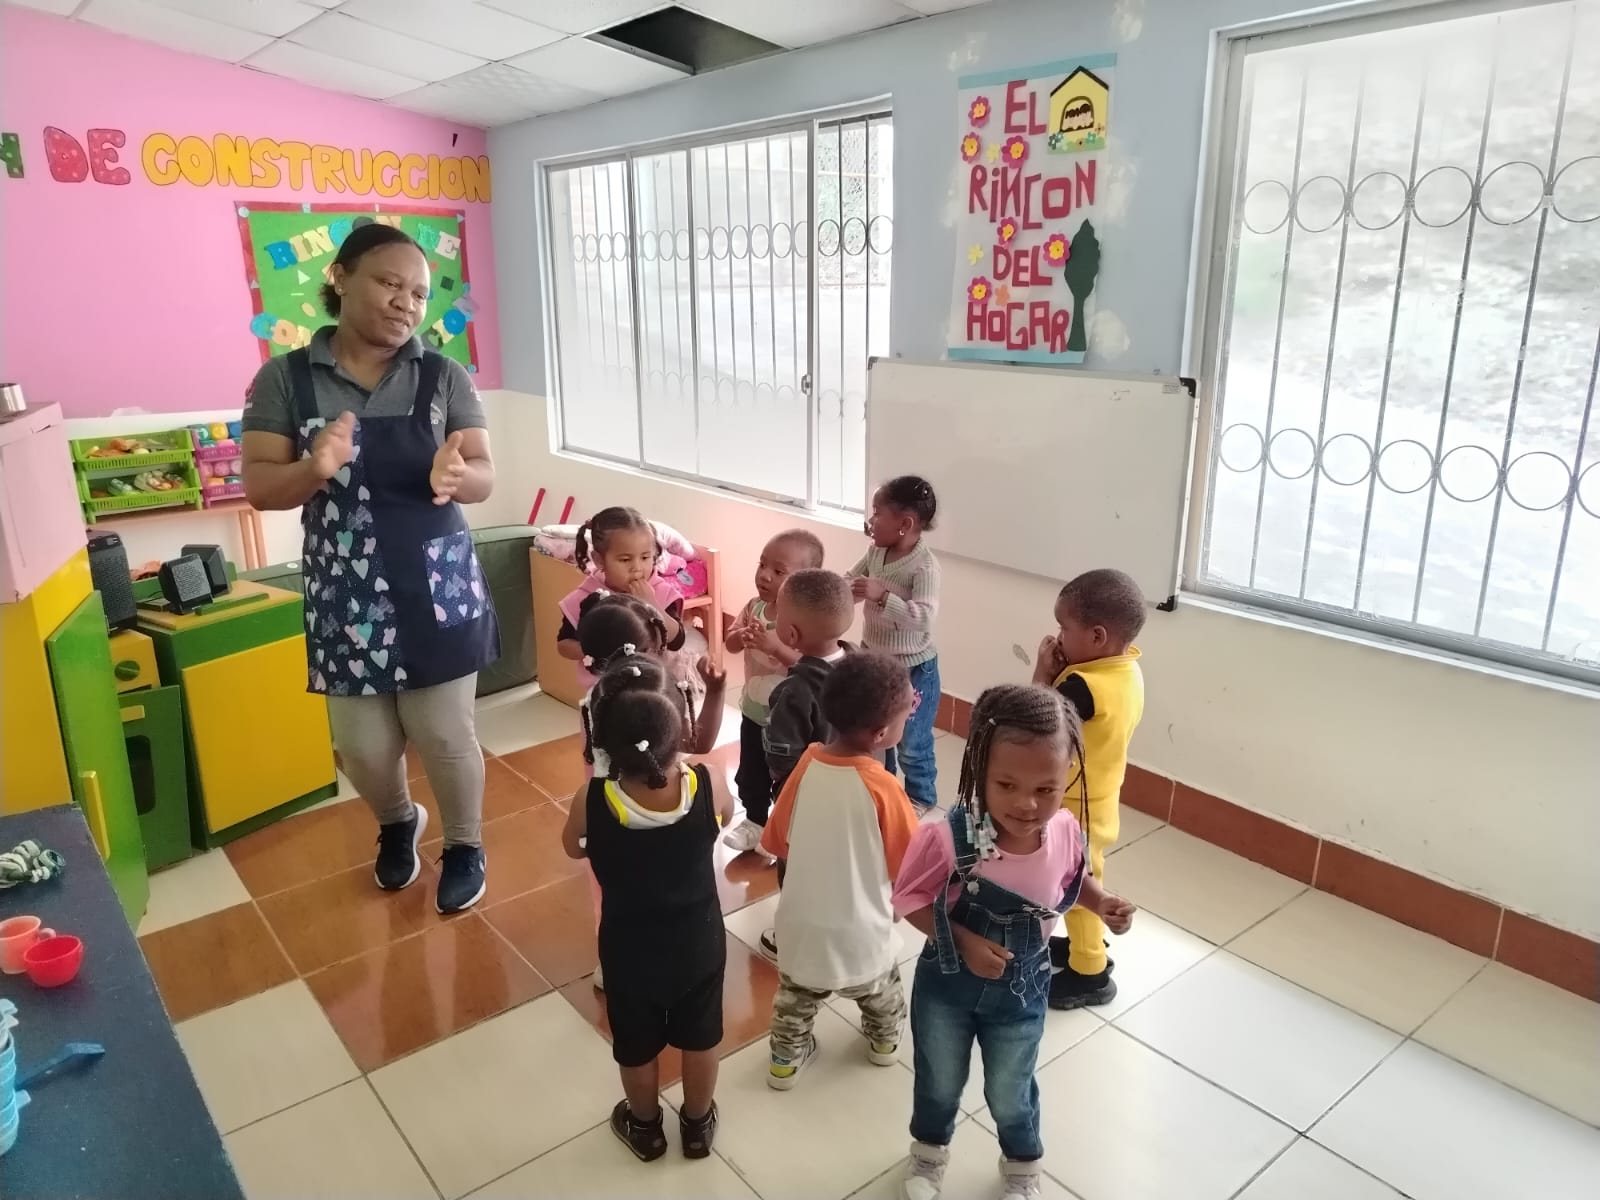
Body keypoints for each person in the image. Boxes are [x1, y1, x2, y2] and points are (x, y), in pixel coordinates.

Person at [241, 221, 497, 915]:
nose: (406, 303)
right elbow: (260, 485)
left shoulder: (443, 375)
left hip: (436, 582)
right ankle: (397, 821)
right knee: (362, 748)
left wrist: (458, 476)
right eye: (389, 283)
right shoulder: (285, 380)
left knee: (445, 734)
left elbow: (483, 471)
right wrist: (313, 468)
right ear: (341, 278)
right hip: (344, 588)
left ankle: (465, 845)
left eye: (418, 293)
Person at [892, 685, 1136, 1200]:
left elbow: (1073, 879)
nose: (1027, 804)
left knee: (1011, 1087)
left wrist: (1101, 902)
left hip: (1022, 994)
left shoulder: (1064, 831)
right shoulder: (948, 837)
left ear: (1069, 772)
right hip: (946, 990)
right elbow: (908, 898)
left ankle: (1023, 1165)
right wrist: (961, 940)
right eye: (1007, 785)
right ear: (980, 768)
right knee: (938, 1079)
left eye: (1046, 788)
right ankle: (929, 1153)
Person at [561, 662, 731, 1162]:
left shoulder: (592, 800)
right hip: (699, 943)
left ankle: (645, 1128)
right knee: (701, 1037)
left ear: (602, 739)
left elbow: (572, 847)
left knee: (634, 1044)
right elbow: (727, 817)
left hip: (628, 949)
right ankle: (697, 1126)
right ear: (681, 728)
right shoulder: (708, 783)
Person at [759, 651, 921, 1089]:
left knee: (795, 1000)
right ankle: (884, 1043)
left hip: (802, 928)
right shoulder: (883, 786)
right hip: (862, 930)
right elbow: (910, 864)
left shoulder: (805, 764)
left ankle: (784, 1062)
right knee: (881, 991)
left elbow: (777, 839)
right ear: (882, 733)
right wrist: (901, 906)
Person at [576, 598, 726, 992]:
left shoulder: (606, 699)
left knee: (623, 894)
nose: (657, 658)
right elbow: (701, 744)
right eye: (650, 650)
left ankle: (618, 958)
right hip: (640, 812)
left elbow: (573, 845)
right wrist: (715, 691)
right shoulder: (632, 701)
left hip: (615, 814)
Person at [1029, 568, 1146, 1009]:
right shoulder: (1126, 670)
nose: (1058, 637)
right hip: (1099, 799)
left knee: (1077, 888)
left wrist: (1042, 673)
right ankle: (1083, 945)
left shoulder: (1084, 687)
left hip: (1075, 807)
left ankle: (1090, 970)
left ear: (1097, 636)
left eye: (1064, 628)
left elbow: (1033, 725)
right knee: (1084, 879)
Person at [754, 567, 863, 961]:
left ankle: (794, 935)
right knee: (843, 867)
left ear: (790, 634)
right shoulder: (863, 668)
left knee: (799, 868)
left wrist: (781, 790)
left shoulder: (795, 690)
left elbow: (781, 755)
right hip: (858, 798)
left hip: (806, 803)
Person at [721, 529, 826, 854]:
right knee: (750, 773)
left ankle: (785, 830)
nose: (765, 575)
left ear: (806, 580)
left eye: (779, 571)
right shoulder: (754, 607)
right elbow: (729, 642)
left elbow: (810, 666)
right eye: (762, 564)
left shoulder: (807, 620)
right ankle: (754, 822)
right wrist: (741, 636)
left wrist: (775, 647)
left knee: (789, 778)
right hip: (754, 712)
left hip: (791, 724)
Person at [850, 476, 942, 811]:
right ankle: (883, 789)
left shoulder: (924, 567)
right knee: (877, 732)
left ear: (904, 524)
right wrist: (833, 593)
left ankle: (921, 797)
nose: (871, 520)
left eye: (877, 513)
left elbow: (924, 617)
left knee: (912, 742)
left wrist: (882, 596)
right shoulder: (875, 551)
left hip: (913, 669)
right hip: (875, 663)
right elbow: (851, 580)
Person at [555, 506, 687, 690]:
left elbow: (677, 641)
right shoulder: (587, 596)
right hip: (605, 691)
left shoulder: (660, 592)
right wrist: (595, 648)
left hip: (655, 688)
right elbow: (563, 645)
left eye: (645, 557)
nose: (637, 568)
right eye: (625, 560)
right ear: (599, 560)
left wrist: (653, 605)